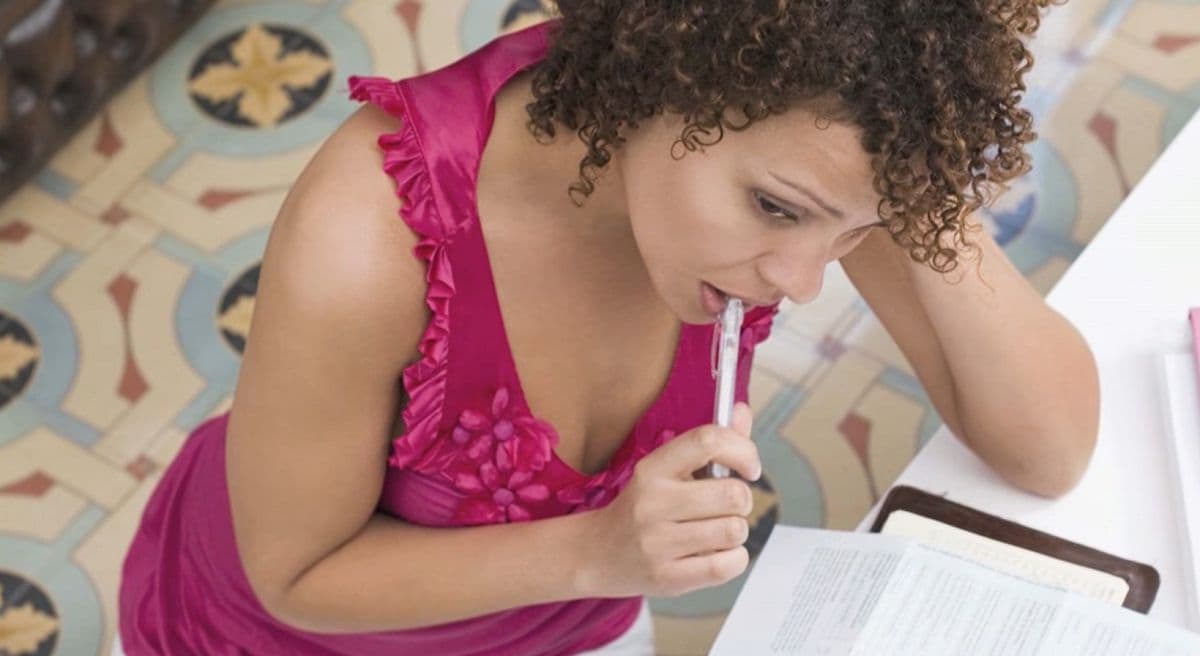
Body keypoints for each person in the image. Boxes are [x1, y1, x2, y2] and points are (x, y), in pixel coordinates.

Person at [117, 1, 1100, 653]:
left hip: (576, 623)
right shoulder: (366, 237)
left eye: (858, 231)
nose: (801, 283)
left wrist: (906, 175)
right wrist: (597, 551)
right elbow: (296, 573)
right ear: (662, 78)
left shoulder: (817, 151)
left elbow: (1049, 448)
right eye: (776, 209)